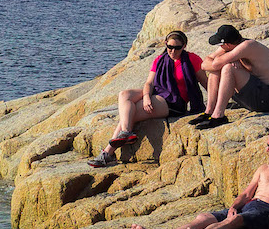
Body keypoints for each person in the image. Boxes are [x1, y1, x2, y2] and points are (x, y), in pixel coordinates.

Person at [130, 127, 269, 229]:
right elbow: (246, 193)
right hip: (249, 205)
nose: (267, 150)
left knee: (237, 221)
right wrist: (234, 207)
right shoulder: (264, 168)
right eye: (267, 145)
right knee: (204, 216)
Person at [88, 30, 208, 168]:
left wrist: (216, 105)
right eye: (170, 47)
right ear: (165, 44)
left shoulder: (192, 59)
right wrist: (146, 97)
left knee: (128, 113)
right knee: (124, 95)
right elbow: (149, 83)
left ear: (184, 46)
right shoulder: (160, 59)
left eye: (177, 48)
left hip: (174, 101)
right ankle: (126, 133)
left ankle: (108, 152)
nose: (173, 51)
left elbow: (206, 82)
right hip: (158, 93)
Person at [189, 24, 269, 129]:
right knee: (215, 71)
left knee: (228, 68)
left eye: (221, 45)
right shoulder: (232, 47)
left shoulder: (248, 45)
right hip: (255, 95)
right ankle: (209, 111)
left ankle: (218, 115)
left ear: (228, 44)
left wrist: (225, 60)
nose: (220, 48)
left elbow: (215, 63)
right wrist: (226, 59)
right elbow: (205, 64)